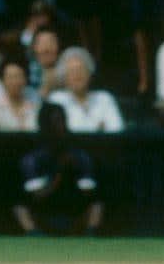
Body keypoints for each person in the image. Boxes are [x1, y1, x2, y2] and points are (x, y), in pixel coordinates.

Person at [13, 101, 103, 236]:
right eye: (55, 122)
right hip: (43, 215)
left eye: (63, 121)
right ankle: (33, 234)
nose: (60, 126)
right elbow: (36, 196)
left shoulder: (79, 156)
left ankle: (90, 235)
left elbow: (88, 193)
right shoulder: (32, 159)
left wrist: (72, 176)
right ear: (45, 125)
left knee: (97, 204)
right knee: (19, 207)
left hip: (73, 214)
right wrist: (59, 175)